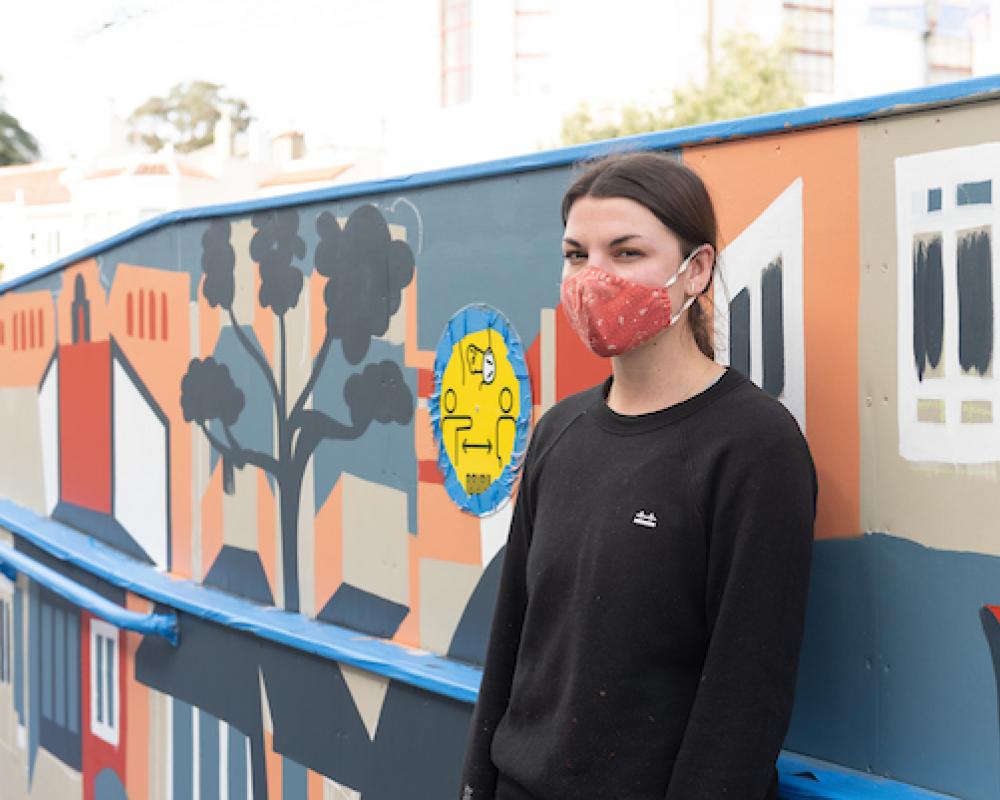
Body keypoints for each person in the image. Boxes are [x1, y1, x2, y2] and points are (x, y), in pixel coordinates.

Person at [459, 151, 817, 800]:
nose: (594, 277)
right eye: (576, 255)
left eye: (626, 253)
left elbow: (745, 697)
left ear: (696, 271)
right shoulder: (556, 433)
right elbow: (512, 643)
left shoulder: (754, 447)